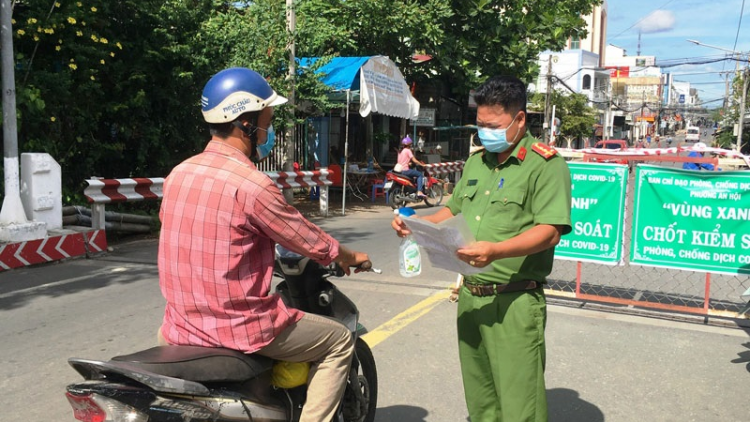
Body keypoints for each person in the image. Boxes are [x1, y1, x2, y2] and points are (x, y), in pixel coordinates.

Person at [157, 67, 370, 422]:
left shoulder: (179, 173)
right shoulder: (251, 185)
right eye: (267, 122)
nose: (268, 132)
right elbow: (305, 237)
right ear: (246, 124)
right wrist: (349, 256)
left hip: (179, 325)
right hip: (240, 327)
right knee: (338, 342)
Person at [392, 75, 572, 422]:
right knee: (481, 402)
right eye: (480, 125)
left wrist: (497, 251)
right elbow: (453, 209)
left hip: (515, 302)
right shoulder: (477, 162)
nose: (485, 132)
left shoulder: (545, 165)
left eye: (494, 125)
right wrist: (415, 226)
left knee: (520, 408)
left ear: (520, 119)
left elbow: (550, 232)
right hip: (471, 298)